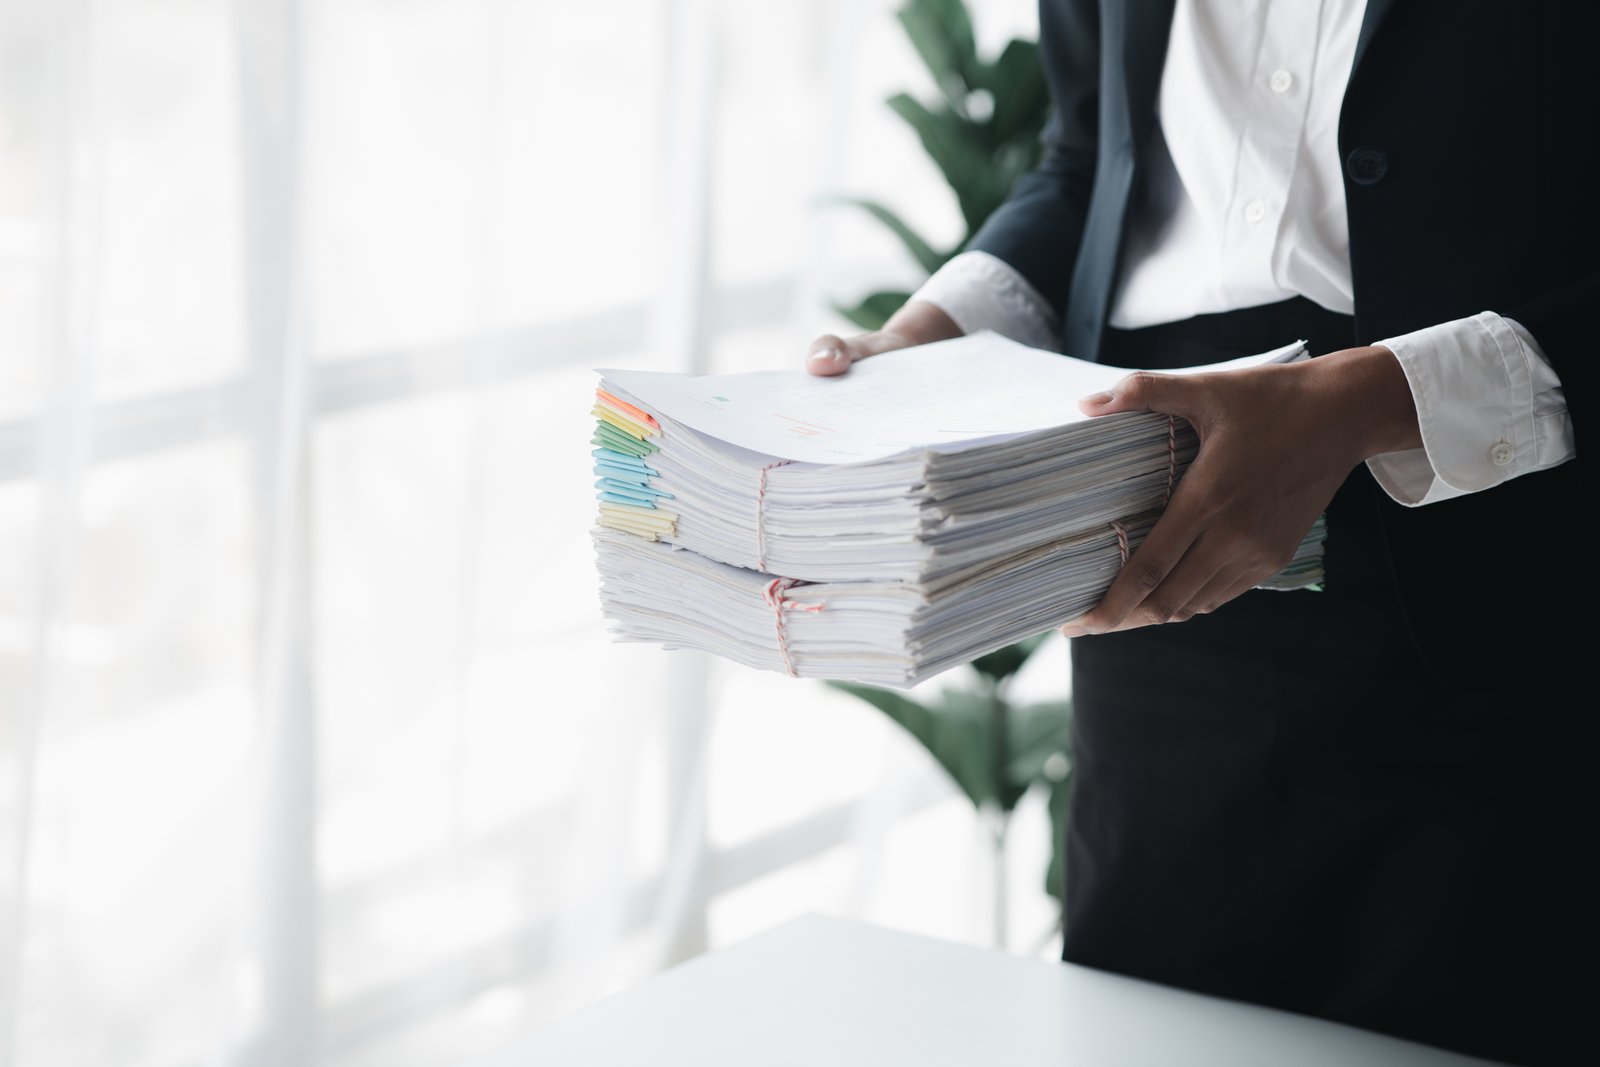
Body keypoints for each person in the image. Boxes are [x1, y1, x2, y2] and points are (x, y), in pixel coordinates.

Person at [804, 3, 1592, 1064]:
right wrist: (920, 339)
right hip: (1150, 571)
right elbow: (1089, 163)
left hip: (1516, 567)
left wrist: (1363, 402)